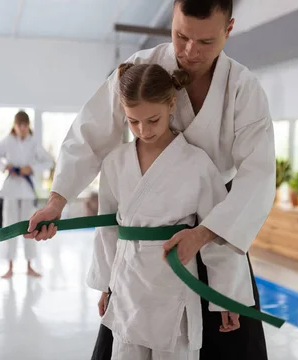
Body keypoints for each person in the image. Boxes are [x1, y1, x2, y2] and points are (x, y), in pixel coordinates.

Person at [26, 0, 275, 360]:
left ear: (229, 30)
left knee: (230, 343)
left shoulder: (243, 89)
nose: (190, 51)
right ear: (172, 21)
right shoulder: (141, 68)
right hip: (142, 258)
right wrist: (57, 202)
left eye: (206, 41)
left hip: (212, 233)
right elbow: (90, 133)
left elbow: (257, 178)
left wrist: (205, 233)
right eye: (180, 36)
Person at [87, 63, 254, 359]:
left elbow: (216, 232)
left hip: (173, 282)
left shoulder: (196, 163)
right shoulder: (115, 162)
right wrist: (105, 285)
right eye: (133, 122)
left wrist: (227, 298)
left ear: (171, 105)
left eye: (153, 120)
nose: (143, 130)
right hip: (128, 284)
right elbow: (108, 230)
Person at [0, 110, 54, 279]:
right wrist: (5, 166)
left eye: (25, 125)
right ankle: (9, 266)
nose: (22, 128)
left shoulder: (34, 143)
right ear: (15, 125)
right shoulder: (7, 141)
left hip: (27, 190)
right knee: (9, 225)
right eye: (19, 125)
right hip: (11, 188)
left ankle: (29, 265)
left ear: (28, 126)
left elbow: (49, 161)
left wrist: (31, 168)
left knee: (30, 226)